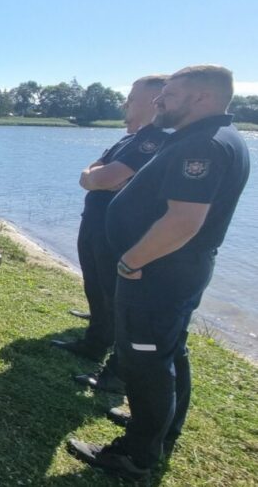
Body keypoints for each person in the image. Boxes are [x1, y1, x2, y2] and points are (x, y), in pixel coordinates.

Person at [68, 66, 251, 480]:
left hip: (158, 274)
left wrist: (132, 260)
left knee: (145, 364)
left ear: (201, 99)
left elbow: (184, 221)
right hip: (173, 272)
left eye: (168, 94)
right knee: (170, 354)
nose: (158, 101)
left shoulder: (202, 145)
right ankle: (160, 432)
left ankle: (135, 455)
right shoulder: (215, 138)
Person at [52, 76, 169, 394]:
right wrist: (97, 177)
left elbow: (109, 176)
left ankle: (118, 372)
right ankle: (94, 342)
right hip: (95, 223)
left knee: (116, 296)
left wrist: (99, 177)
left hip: (117, 232)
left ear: (155, 102)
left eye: (132, 99)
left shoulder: (154, 140)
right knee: (95, 285)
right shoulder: (129, 139)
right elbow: (95, 171)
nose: (125, 104)